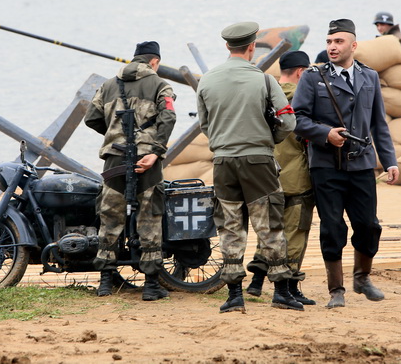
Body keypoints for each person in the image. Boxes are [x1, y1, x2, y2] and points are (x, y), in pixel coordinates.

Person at [292, 19, 399, 309]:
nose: (332, 47)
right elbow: (297, 119)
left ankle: (362, 277)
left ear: (353, 45)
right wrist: (324, 134)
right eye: (329, 42)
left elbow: (379, 123)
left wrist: (389, 161)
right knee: (332, 227)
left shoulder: (369, 77)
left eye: (338, 42)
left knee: (368, 225)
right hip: (326, 165)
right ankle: (336, 289)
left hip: (362, 165)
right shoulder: (313, 78)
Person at [196, 21, 302, 313]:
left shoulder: (207, 80)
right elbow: (289, 121)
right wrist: (269, 140)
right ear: (252, 46)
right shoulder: (264, 80)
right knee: (269, 225)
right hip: (259, 161)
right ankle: (281, 292)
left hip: (223, 162)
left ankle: (234, 295)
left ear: (227, 47)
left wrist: (224, 143)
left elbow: (205, 125)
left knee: (230, 226)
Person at [84, 41, 176, 301]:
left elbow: (91, 117)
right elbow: (169, 117)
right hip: (147, 160)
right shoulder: (160, 84)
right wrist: (155, 149)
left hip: (115, 159)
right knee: (150, 218)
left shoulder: (109, 84)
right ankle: (150, 285)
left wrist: (114, 133)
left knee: (110, 218)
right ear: (155, 62)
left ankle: (105, 282)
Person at [246, 50, 316, 306]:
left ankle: (255, 281)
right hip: (296, 178)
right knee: (295, 232)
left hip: (266, 175)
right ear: (301, 72)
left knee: (270, 231)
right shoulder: (304, 99)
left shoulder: (263, 96)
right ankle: (290, 287)